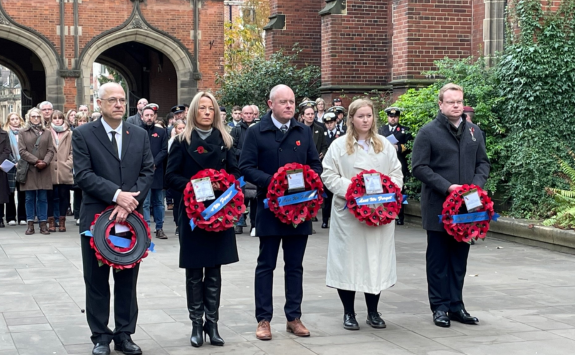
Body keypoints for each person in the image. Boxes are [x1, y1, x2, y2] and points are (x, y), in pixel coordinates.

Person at [73, 82, 154, 355]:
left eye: (122, 100)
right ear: (99, 103)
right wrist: (117, 195)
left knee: (127, 279)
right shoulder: (83, 134)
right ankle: (100, 337)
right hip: (96, 219)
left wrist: (130, 202)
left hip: (130, 220)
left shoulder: (139, 134)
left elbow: (147, 171)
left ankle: (124, 335)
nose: (119, 104)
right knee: (96, 280)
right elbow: (82, 175)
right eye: (112, 100)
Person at [239, 84, 322, 340]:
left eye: (292, 102)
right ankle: (263, 319)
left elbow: (315, 165)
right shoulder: (256, 132)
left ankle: (293, 317)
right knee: (266, 264)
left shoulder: (303, 131)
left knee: (295, 266)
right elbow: (246, 167)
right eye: (283, 102)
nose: (289, 106)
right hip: (270, 208)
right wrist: (274, 182)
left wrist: (309, 179)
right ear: (270, 104)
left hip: (299, 208)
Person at [411, 83, 490, 328]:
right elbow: (419, 167)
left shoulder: (474, 131)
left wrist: (473, 187)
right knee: (438, 260)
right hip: (438, 206)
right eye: (451, 102)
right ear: (441, 104)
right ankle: (440, 307)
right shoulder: (428, 132)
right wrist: (448, 187)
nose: (456, 105)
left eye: (459, 101)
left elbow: (483, 164)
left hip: (467, 208)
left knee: (459, 259)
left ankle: (457, 306)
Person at [165, 91, 239, 348]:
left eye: (211, 108)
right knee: (195, 272)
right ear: (194, 112)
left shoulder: (226, 141)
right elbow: (170, 177)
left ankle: (213, 324)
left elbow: (236, 175)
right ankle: (196, 324)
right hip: (193, 215)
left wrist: (225, 187)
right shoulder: (181, 142)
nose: (207, 112)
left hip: (220, 213)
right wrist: (193, 186)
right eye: (202, 108)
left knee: (215, 272)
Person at [321, 98, 403, 330]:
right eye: (360, 116)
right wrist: (354, 191)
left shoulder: (384, 144)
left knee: (374, 261)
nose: (365, 120)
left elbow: (396, 174)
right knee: (349, 261)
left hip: (379, 212)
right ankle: (349, 313)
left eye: (369, 116)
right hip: (350, 215)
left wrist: (389, 191)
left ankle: (373, 312)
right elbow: (328, 175)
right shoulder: (338, 146)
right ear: (351, 119)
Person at [19, 107, 55, 235]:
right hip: (30, 168)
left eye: (38, 116)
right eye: (33, 116)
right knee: (29, 198)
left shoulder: (47, 132)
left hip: (44, 169)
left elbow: (51, 150)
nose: (36, 118)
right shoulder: (23, 132)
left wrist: (45, 162)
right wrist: (36, 161)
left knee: (42, 197)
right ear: (29, 117)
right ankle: (30, 225)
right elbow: (22, 151)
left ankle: (43, 224)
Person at [378, 107, 412, 225]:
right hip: (384, 162)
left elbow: (409, 145)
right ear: (388, 117)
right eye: (391, 117)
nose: (393, 119)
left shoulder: (404, 130)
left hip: (399, 162)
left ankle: (400, 216)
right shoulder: (381, 130)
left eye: (395, 117)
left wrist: (398, 147)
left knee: (399, 189)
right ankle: (384, 212)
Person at [141, 103, 168, 240]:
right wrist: (146, 164)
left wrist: (154, 163)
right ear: (142, 117)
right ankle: (145, 229)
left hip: (157, 172)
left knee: (158, 202)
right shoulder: (137, 132)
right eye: (147, 115)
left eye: (152, 115)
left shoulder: (162, 132)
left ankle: (159, 228)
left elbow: (164, 150)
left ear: (155, 116)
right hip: (142, 173)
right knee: (145, 202)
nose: (149, 118)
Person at [231, 105, 256, 235]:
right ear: (241, 115)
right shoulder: (236, 130)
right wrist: (244, 153)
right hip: (240, 167)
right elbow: (231, 147)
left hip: (255, 167)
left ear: (254, 115)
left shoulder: (258, 129)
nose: (248, 116)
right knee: (240, 196)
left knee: (254, 197)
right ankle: (239, 223)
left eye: (250, 113)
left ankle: (254, 225)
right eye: (245, 113)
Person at [47, 110, 74, 232]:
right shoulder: (47, 132)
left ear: (63, 119)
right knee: (50, 196)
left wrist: (68, 163)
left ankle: (62, 221)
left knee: (64, 196)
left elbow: (73, 152)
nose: (57, 120)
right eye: (55, 118)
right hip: (50, 168)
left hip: (64, 168)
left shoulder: (69, 133)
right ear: (51, 120)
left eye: (60, 118)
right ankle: (51, 221)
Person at [2, 112, 27, 226]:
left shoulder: (24, 133)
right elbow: (7, 150)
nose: (15, 121)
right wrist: (14, 162)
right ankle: (10, 217)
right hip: (10, 166)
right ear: (8, 121)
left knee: (23, 192)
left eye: (17, 118)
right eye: (12, 119)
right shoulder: (6, 133)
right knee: (10, 192)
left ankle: (22, 217)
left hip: (24, 165)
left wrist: (22, 162)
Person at [320, 112, 343, 229]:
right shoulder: (322, 135)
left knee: (337, 195)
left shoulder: (343, 134)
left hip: (339, 168)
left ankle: (336, 221)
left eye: (331, 122)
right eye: (327, 123)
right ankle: (325, 220)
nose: (329, 125)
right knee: (327, 197)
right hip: (327, 168)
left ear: (335, 122)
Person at [167, 119, 185, 236]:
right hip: (177, 177)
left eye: (184, 128)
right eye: (180, 128)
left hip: (186, 176)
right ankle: (178, 224)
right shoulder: (174, 141)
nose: (182, 130)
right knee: (177, 203)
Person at [72, 112, 89, 226]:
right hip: (75, 164)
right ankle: (77, 214)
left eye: (84, 121)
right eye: (80, 121)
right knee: (78, 191)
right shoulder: (73, 133)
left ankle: (85, 214)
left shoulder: (90, 133)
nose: (82, 123)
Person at [0, 127, 11, 227]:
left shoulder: (4, 134)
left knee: (1, 195)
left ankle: (0, 218)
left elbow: (7, 150)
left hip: (0, 167)